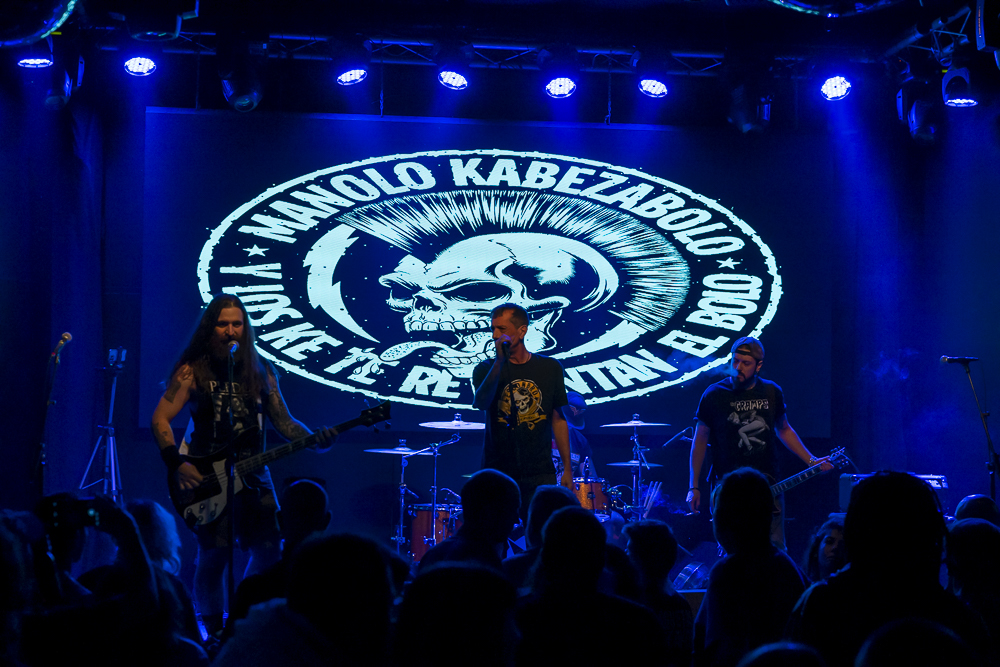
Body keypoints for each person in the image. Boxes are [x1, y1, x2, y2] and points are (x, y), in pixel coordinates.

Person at [150, 293, 333, 637]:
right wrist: (176, 463)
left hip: (254, 475)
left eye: (237, 324)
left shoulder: (262, 370)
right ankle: (214, 634)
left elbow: (285, 422)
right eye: (223, 324)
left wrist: (314, 439)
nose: (230, 331)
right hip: (208, 476)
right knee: (214, 556)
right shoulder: (192, 370)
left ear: (246, 328)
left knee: (269, 551)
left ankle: (241, 622)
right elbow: (161, 418)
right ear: (210, 328)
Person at [686, 337, 831, 548]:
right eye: (735, 361)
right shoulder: (714, 394)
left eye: (745, 363)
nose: (738, 367)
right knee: (731, 548)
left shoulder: (772, 391)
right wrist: (693, 486)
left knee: (774, 547)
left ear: (758, 365)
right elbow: (699, 441)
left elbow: (784, 429)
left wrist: (811, 460)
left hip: (768, 483)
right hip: (728, 486)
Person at [693, 468, 808, 667]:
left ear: (727, 519)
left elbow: (714, 648)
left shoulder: (728, 571)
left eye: (717, 512)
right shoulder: (788, 567)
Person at [472, 303, 573, 521]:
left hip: (539, 471)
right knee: (495, 532)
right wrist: (499, 362)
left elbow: (558, 419)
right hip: (497, 470)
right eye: (493, 329)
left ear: (522, 331)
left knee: (538, 532)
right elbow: (480, 403)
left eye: (501, 329)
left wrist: (567, 468)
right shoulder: (485, 369)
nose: (495, 335)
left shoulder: (550, 368)